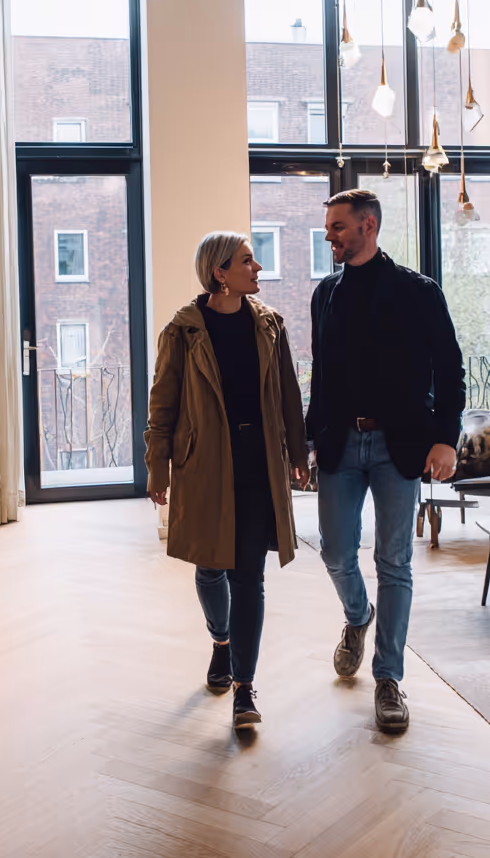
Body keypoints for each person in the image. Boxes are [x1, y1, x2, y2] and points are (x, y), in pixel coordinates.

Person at [306, 189, 465, 731]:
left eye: (337, 228)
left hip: (402, 445)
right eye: (329, 228)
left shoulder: (418, 293)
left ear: (368, 226)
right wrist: (309, 440)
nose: (329, 236)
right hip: (340, 445)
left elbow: (450, 371)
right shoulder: (324, 294)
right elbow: (320, 378)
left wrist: (446, 438)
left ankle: (388, 678)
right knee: (334, 551)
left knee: (394, 563)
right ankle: (358, 616)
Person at [146, 232, 309, 730]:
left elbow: (287, 394)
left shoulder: (269, 325)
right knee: (210, 566)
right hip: (204, 465)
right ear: (220, 273)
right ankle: (221, 642)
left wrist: (299, 455)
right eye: (246, 260)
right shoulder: (183, 330)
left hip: (259, 463)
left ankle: (244, 685)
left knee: (249, 577)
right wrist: (158, 466)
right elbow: (163, 403)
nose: (257, 267)